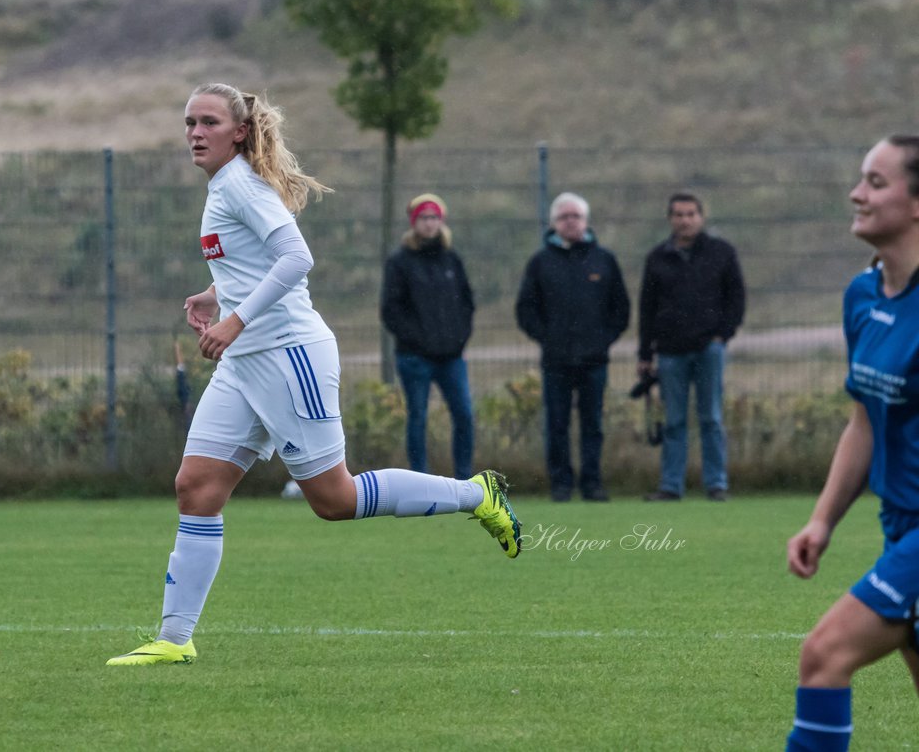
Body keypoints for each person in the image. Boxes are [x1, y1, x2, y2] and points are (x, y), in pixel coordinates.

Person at [106, 83, 522, 666]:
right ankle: (174, 640)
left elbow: (297, 258)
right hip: (246, 364)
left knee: (334, 498)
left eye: (207, 123)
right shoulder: (224, 186)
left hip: (288, 354)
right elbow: (253, 264)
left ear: (240, 132)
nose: (195, 133)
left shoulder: (243, 187)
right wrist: (214, 295)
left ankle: (475, 494)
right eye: (188, 123)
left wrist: (235, 322)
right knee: (195, 489)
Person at [784, 135, 919, 750]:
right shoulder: (862, 296)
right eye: (861, 178)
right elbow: (864, 420)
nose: (856, 193)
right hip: (898, 524)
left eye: (876, 181)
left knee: (823, 656)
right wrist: (822, 520)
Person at [515, 192, 629, 502]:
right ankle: (561, 484)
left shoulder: (604, 261)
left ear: (586, 221)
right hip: (556, 360)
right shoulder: (540, 263)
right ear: (554, 224)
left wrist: (602, 339)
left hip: (594, 359)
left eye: (576, 216)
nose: (570, 222)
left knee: (593, 424)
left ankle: (592, 484)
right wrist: (547, 337)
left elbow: (620, 309)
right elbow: (526, 310)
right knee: (557, 424)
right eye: (564, 217)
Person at [637, 191, 745, 502]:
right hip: (670, 352)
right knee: (674, 420)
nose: (685, 220)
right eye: (679, 215)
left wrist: (722, 335)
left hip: (709, 348)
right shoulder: (657, 258)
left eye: (690, 214)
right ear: (670, 219)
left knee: (711, 416)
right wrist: (645, 353)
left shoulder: (722, 253)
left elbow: (736, 297)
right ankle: (671, 486)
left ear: (701, 217)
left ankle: (717, 484)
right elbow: (647, 308)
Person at [380, 193, 477, 480]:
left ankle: (464, 479)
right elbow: (391, 310)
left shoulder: (452, 259)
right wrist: (417, 341)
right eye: (424, 217)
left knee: (464, 415)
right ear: (414, 223)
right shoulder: (400, 262)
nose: (430, 223)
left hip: (451, 357)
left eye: (434, 217)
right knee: (418, 417)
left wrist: (459, 340)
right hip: (414, 358)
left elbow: (467, 304)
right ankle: (421, 480)